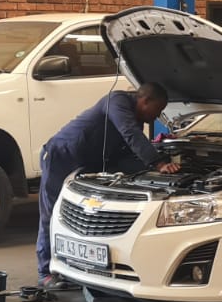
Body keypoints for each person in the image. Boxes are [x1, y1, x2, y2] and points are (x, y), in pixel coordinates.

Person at [36, 82, 179, 289]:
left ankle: (81, 266)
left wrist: (162, 166)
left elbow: (129, 152)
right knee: (50, 214)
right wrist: (159, 163)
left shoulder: (137, 118)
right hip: (60, 156)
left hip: (85, 163)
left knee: (86, 217)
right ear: (144, 100)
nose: (156, 117)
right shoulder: (117, 101)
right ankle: (45, 272)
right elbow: (130, 133)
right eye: (157, 110)